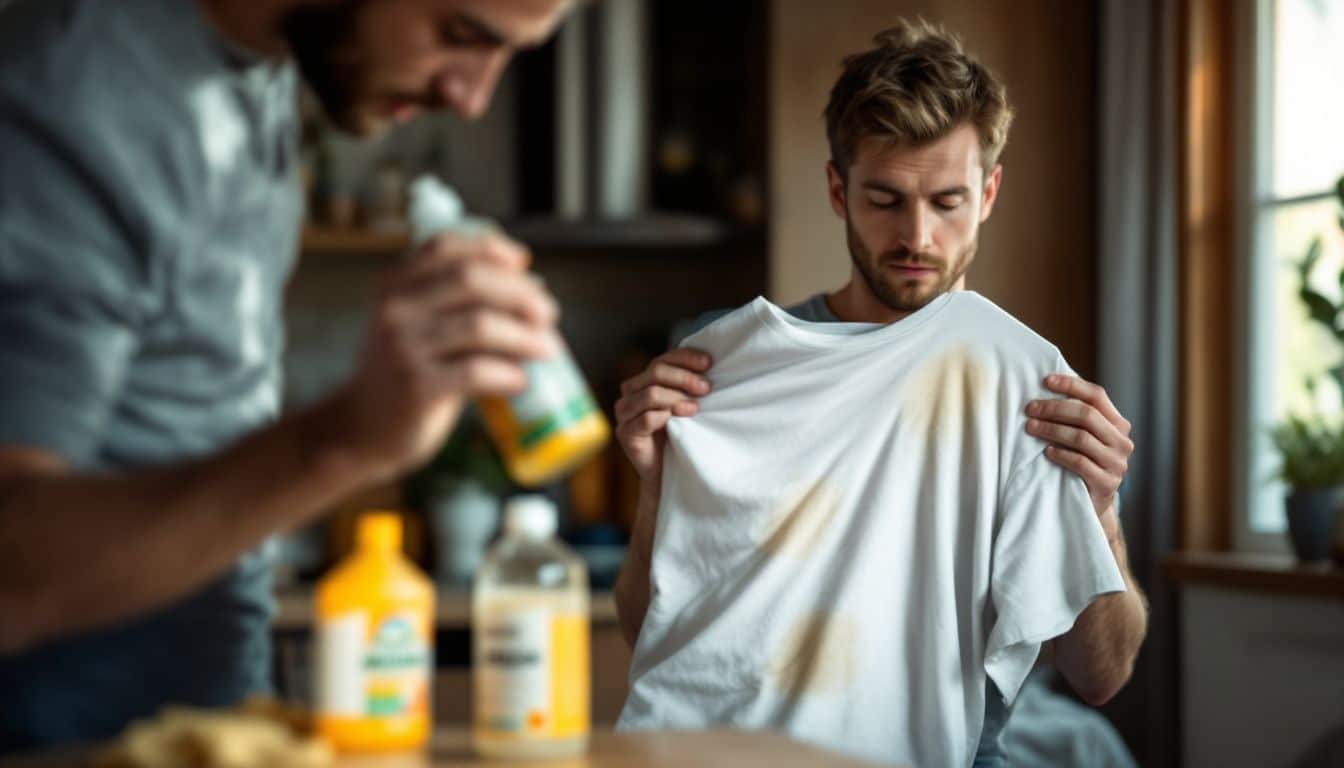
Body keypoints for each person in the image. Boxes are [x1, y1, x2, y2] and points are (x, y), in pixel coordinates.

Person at [0, 0, 574, 752]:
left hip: (195, 726)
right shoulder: (77, 96)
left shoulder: (268, 58)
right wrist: (342, 442)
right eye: (459, 34)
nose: (470, 98)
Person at [611, 20, 1147, 768]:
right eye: (886, 199)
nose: (917, 236)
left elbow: (1102, 674)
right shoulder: (724, 369)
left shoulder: (1029, 390)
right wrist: (656, 488)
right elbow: (653, 632)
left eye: (948, 201)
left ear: (988, 193)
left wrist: (1099, 516)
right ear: (839, 190)